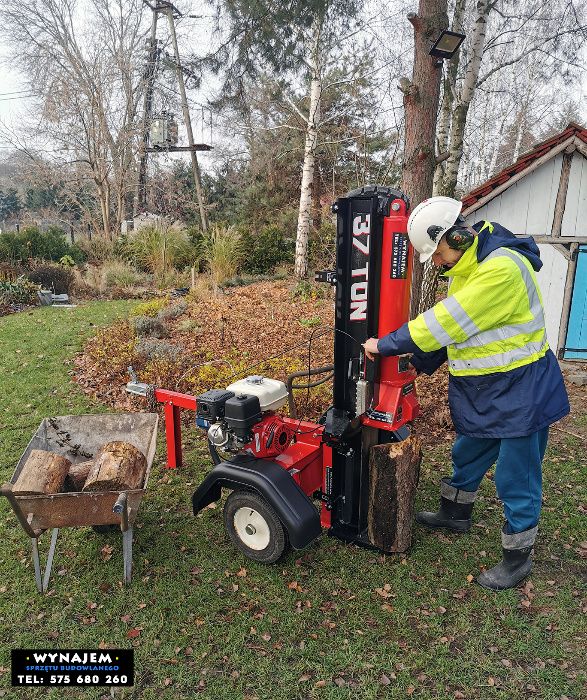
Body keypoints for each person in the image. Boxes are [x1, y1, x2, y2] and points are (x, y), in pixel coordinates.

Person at [363, 196, 570, 591]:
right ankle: (455, 513)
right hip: (488, 386)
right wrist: (421, 363)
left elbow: (446, 321)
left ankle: (517, 557)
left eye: (437, 254)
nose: (437, 263)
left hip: (521, 388)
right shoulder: (469, 266)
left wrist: (386, 344)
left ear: (457, 236)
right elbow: (465, 328)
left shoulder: (501, 270)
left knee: (517, 473)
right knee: (469, 451)